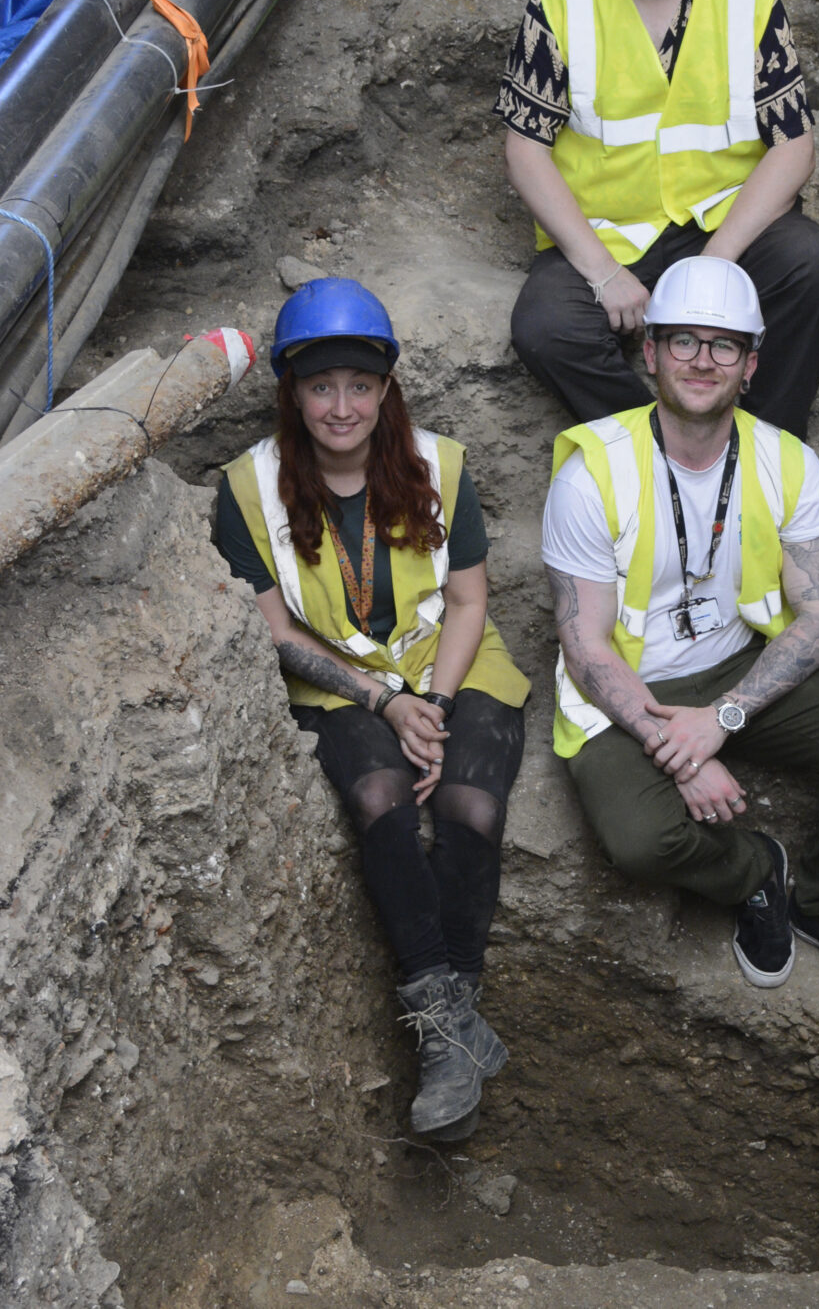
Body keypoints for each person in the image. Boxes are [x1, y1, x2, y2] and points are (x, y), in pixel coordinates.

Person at [213, 279, 530, 1141]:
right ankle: (442, 1026)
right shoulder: (249, 488)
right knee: (382, 802)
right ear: (293, 393)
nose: (341, 406)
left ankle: (452, 1023)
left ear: (386, 389)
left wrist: (432, 703)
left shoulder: (441, 464)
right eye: (321, 387)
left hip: (451, 669)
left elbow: (467, 604)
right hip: (337, 681)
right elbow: (275, 633)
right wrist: (383, 704)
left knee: (469, 805)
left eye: (359, 385)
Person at [542, 254, 819, 993]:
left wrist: (724, 718)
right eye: (683, 341)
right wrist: (677, 748)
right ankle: (755, 876)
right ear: (650, 352)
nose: (702, 361)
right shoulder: (593, 473)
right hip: (626, 679)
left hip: (736, 664)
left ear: (750, 363)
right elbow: (585, 644)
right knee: (641, 841)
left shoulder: (789, 462)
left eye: (724, 345)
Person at [497, 0, 819, 439]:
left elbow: (792, 146)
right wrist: (603, 273)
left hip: (721, 226)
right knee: (545, 328)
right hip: (603, 237)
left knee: (812, 263)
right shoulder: (559, 1)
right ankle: (659, 455)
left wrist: (713, 267)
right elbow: (524, 150)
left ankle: (762, 452)